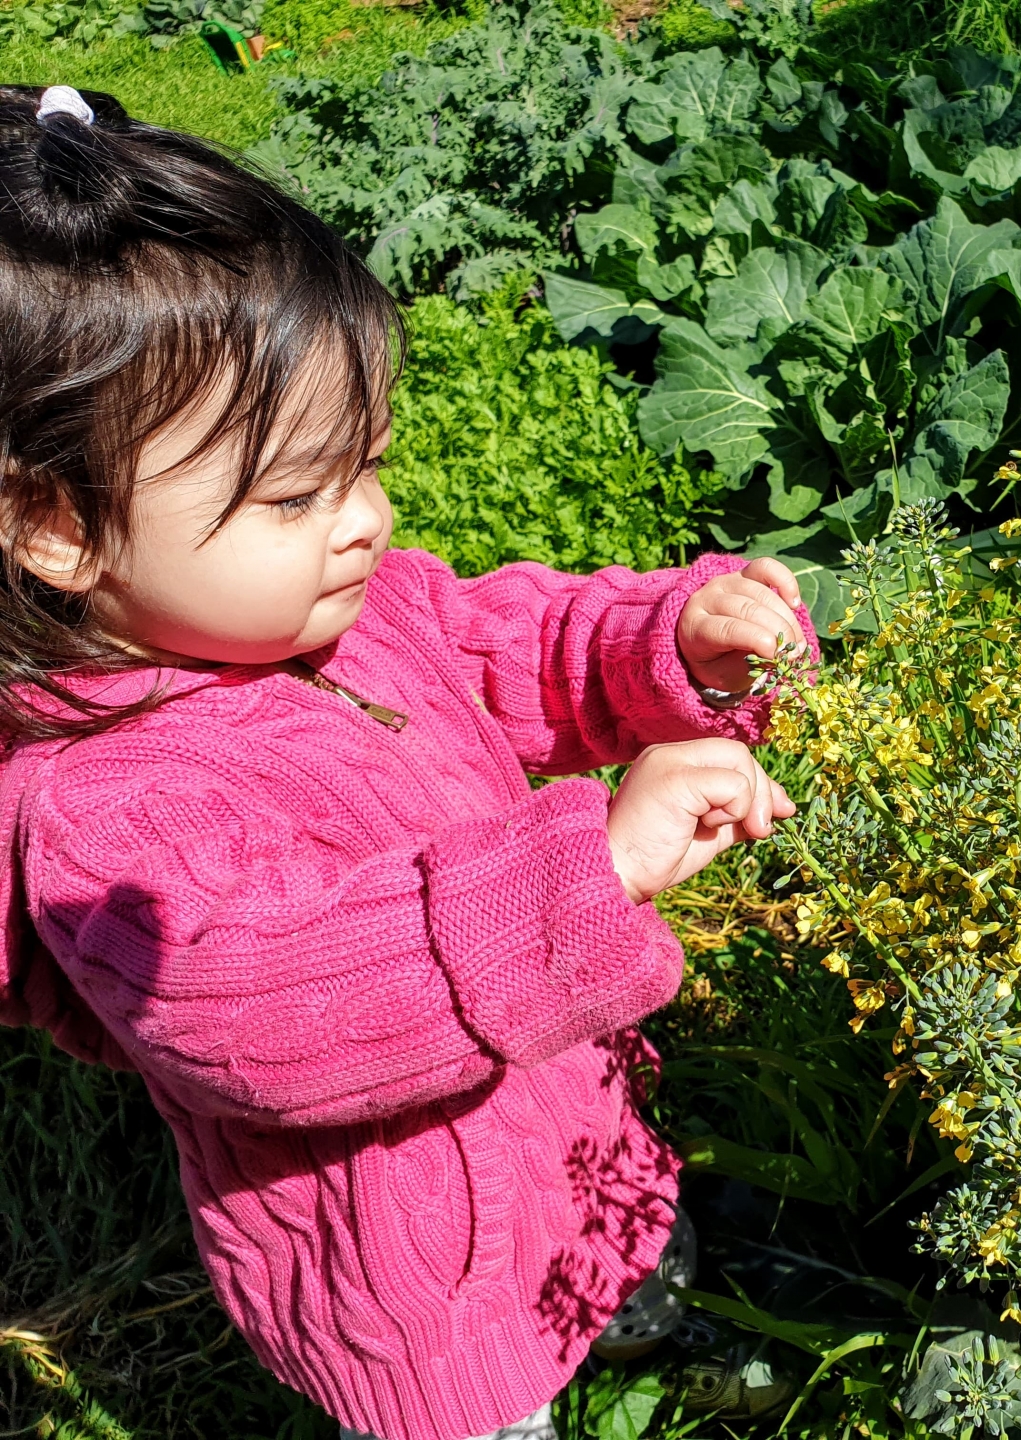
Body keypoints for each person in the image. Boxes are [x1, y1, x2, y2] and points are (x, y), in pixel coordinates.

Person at [0, 85, 815, 1440]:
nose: (368, 523)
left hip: (561, 1119)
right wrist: (595, 865)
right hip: (422, 1278)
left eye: (369, 464)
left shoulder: (349, 609)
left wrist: (669, 639)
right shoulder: (108, 811)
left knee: (614, 1224)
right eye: (297, 495)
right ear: (58, 529)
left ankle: (648, 1300)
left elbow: (518, 648)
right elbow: (279, 1013)